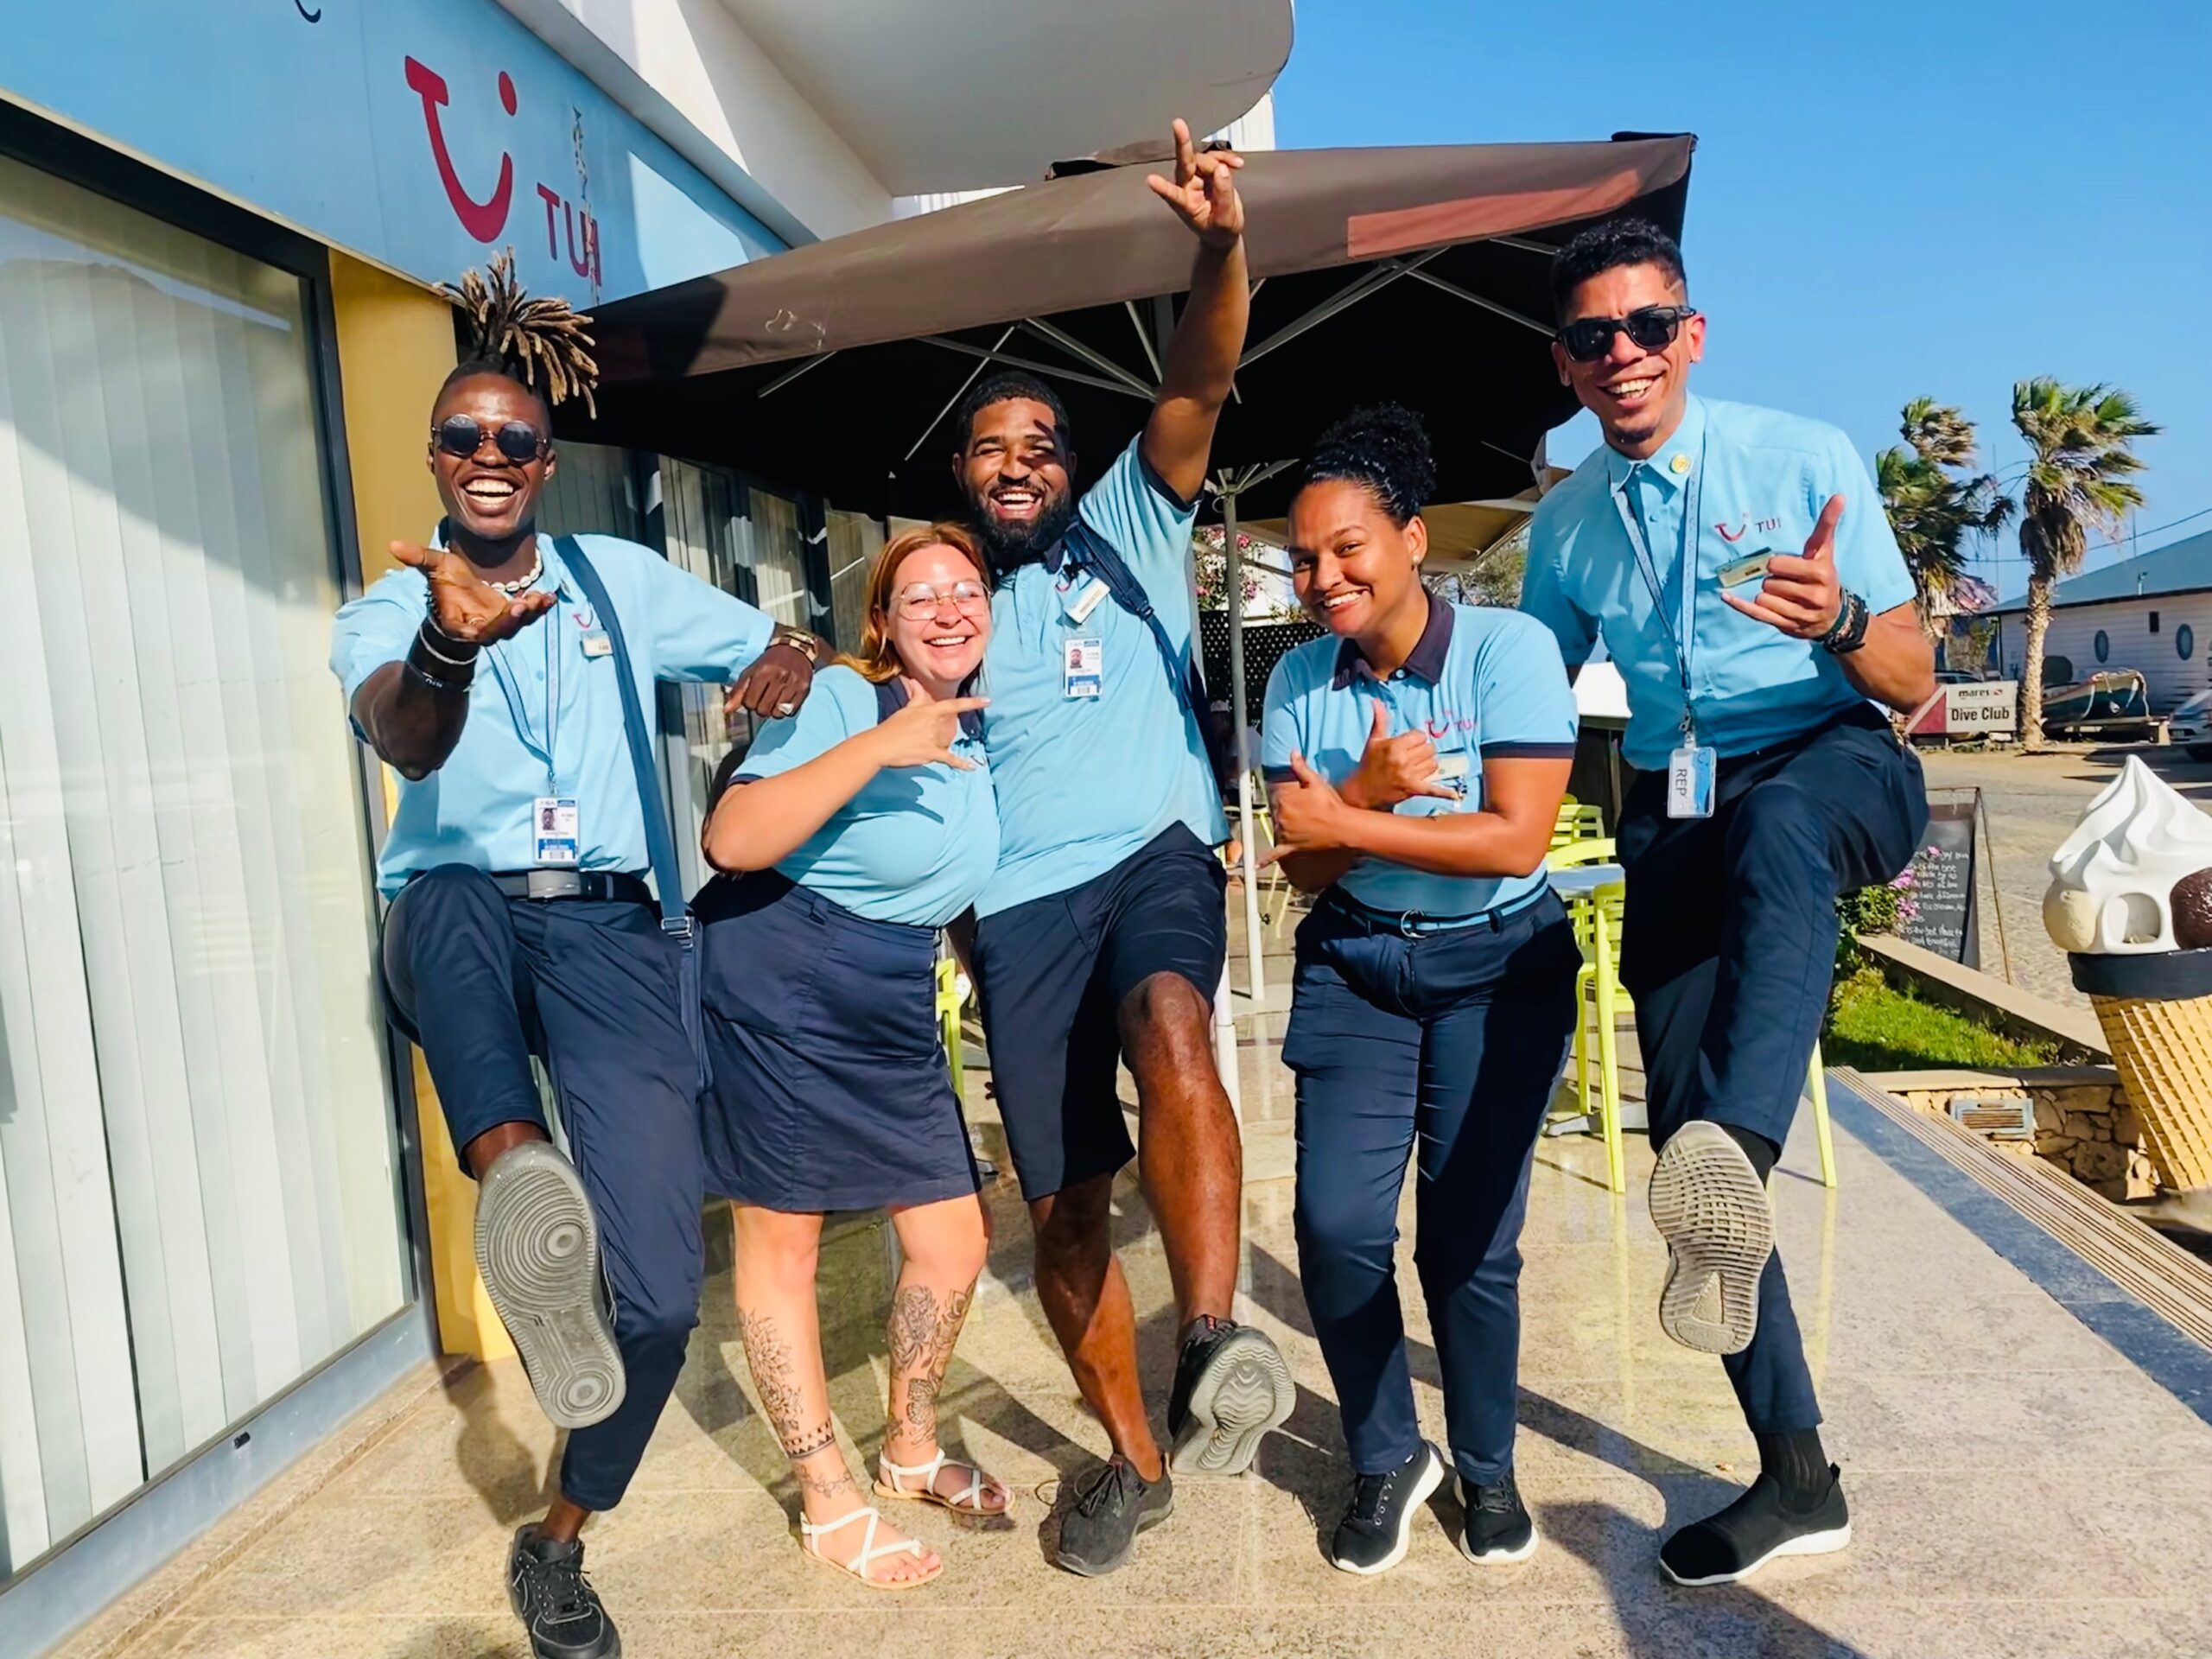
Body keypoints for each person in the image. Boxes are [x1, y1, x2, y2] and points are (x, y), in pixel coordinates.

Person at [331, 257, 822, 1659]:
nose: (490, 458)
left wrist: (782, 660)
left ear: (546, 463)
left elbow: (771, 647)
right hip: (460, 913)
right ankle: (517, 1177)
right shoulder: (390, 605)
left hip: (610, 921)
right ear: (436, 460)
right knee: (459, 907)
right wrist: (448, 645)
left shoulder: (620, 581)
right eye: (466, 440)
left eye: (516, 441)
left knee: (662, 1299)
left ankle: (557, 1544)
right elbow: (405, 737)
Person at [1519, 219, 1934, 1586]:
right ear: (1568, 368)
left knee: (1782, 837)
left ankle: (1739, 1148)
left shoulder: (1803, 459)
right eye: (1593, 338)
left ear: (1691, 336)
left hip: (1837, 756)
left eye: (1646, 328)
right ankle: (1797, 1473)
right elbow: (1528, 700)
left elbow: (1912, 669)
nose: (1622, 355)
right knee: (1689, 1145)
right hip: (1674, 810)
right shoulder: (1567, 525)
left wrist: (1836, 623)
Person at [956, 119, 1294, 1576]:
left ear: (1073, 466)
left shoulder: (1131, 523)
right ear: (962, 473)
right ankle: (1132, 1458)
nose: (1018, 461)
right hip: (1013, 903)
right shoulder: (943, 601)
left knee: (1173, 1021)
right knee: (1062, 1202)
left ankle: (1212, 1337)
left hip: (1153, 849)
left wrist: (1219, 247)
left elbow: (1202, 375)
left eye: (1040, 444)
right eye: (991, 446)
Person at [1258, 406, 1580, 1575]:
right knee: (1337, 1228)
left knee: (1468, 1246)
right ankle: (1389, 1455)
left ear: (1411, 537)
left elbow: (1515, 841)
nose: (1322, 575)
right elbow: (1298, 868)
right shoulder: (1298, 678)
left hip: (1501, 969)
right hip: (1356, 965)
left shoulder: (1508, 653)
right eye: (1301, 557)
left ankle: (1487, 1470)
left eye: (1346, 547)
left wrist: (1352, 809)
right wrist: (1366, 808)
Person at [695, 524, 1007, 1589]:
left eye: (966, 590)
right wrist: (878, 743)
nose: (949, 610)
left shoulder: (982, 732)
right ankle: (827, 1497)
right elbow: (732, 839)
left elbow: (952, 884)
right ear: (881, 624)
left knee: (954, 1237)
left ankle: (911, 1445)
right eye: (920, 596)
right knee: (784, 1241)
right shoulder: (840, 702)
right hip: (782, 969)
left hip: (889, 990)